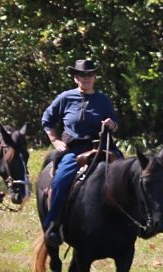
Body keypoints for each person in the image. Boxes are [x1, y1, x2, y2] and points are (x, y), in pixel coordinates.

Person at [39, 59, 121, 242]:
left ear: (95, 77)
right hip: (74, 150)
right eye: (82, 75)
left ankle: (131, 223)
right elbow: (47, 119)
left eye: (90, 74)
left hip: (102, 147)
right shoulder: (65, 98)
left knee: (128, 174)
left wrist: (111, 124)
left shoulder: (103, 100)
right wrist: (55, 140)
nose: (87, 78)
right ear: (76, 78)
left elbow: (116, 124)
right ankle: (53, 224)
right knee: (61, 180)